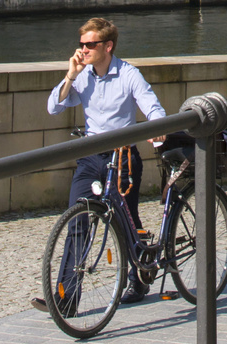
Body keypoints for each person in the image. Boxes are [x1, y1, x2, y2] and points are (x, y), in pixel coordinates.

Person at [46, 17, 168, 303]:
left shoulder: (128, 74)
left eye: (90, 45)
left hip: (122, 157)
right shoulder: (84, 75)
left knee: (126, 221)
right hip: (90, 158)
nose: (84, 50)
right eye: (82, 45)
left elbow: (152, 106)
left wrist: (157, 129)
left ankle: (138, 280)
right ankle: (66, 299)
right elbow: (54, 107)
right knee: (77, 220)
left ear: (108, 46)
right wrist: (71, 75)